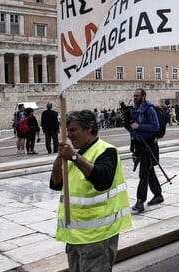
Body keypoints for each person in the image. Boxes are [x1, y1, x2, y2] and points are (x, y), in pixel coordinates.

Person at [50, 110, 132, 271]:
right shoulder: (77, 154)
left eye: (73, 130)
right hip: (74, 235)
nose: (69, 136)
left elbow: (102, 181)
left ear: (89, 128)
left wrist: (74, 157)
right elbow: (55, 183)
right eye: (67, 131)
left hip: (98, 235)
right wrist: (60, 158)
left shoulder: (106, 151)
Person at [125, 88, 164, 214]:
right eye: (134, 96)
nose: (135, 98)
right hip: (139, 145)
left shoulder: (149, 109)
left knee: (144, 173)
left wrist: (139, 126)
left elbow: (155, 126)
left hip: (149, 144)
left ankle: (140, 201)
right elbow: (131, 129)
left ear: (144, 96)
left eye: (137, 96)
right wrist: (126, 122)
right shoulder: (134, 110)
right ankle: (158, 194)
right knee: (149, 170)